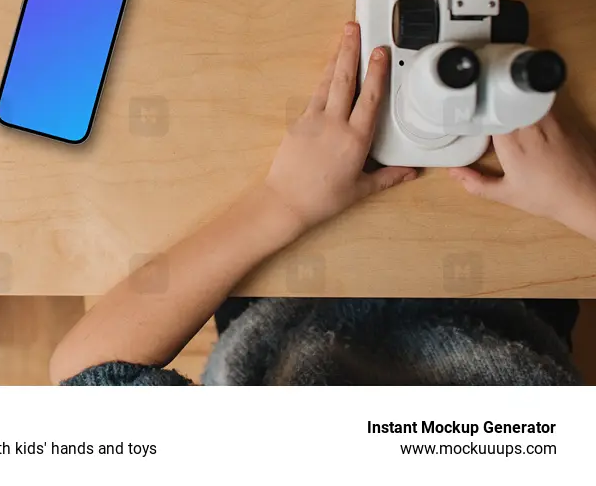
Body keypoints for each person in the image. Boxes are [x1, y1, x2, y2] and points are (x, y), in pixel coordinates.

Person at [50, 22, 594, 385]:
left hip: (281, 304)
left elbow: (90, 372)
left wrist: (283, 201)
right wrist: (582, 199)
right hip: (516, 306)